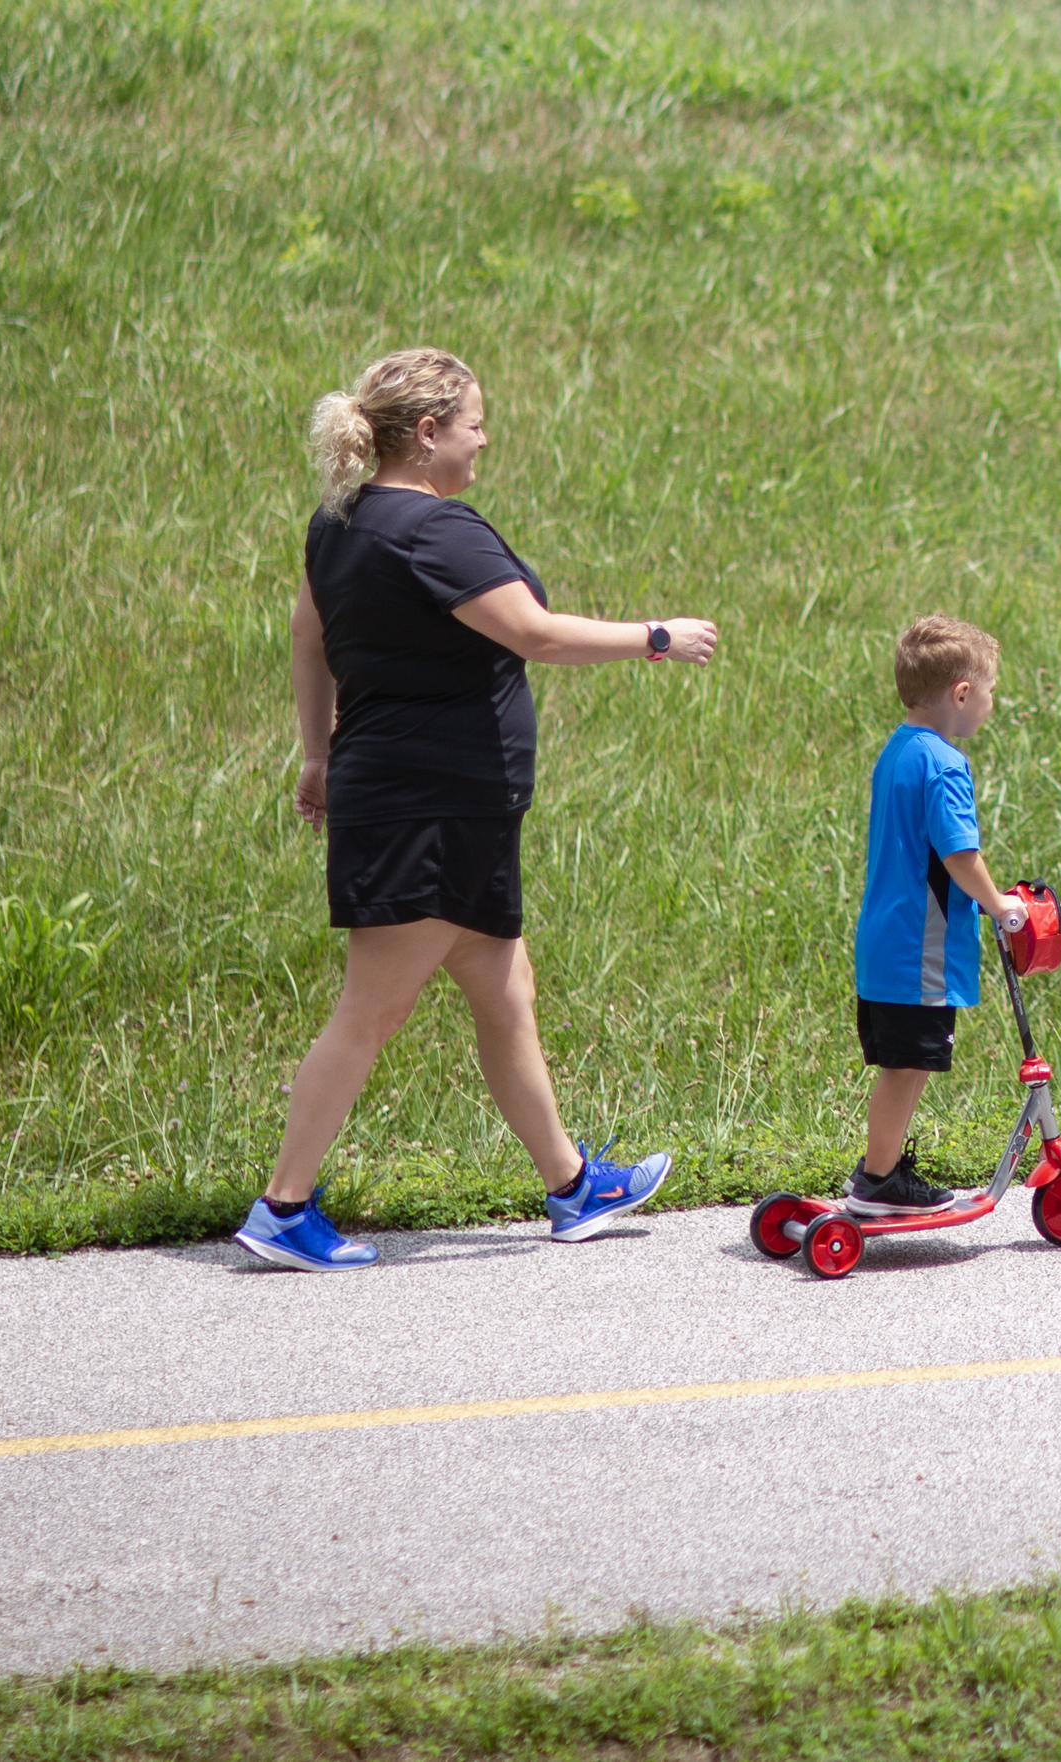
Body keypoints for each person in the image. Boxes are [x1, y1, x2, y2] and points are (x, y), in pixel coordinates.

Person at [237, 346, 721, 1272]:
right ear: (426, 435)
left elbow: (309, 635)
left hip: (427, 800)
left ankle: (575, 1185)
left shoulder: (338, 522)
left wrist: (316, 752)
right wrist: (655, 637)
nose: (484, 438)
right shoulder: (434, 530)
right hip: (433, 806)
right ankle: (282, 1208)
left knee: (506, 994)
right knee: (368, 1012)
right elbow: (533, 633)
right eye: (472, 423)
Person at [842, 615, 1031, 1216]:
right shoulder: (946, 765)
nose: (992, 703)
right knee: (907, 1067)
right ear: (962, 694)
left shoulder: (897, 751)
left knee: (901, 1063)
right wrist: (999, 904)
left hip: (884, 940)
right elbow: (958, 854)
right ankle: (879, 1180)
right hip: (919, 946)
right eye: (992, 691)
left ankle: (881, 1170)